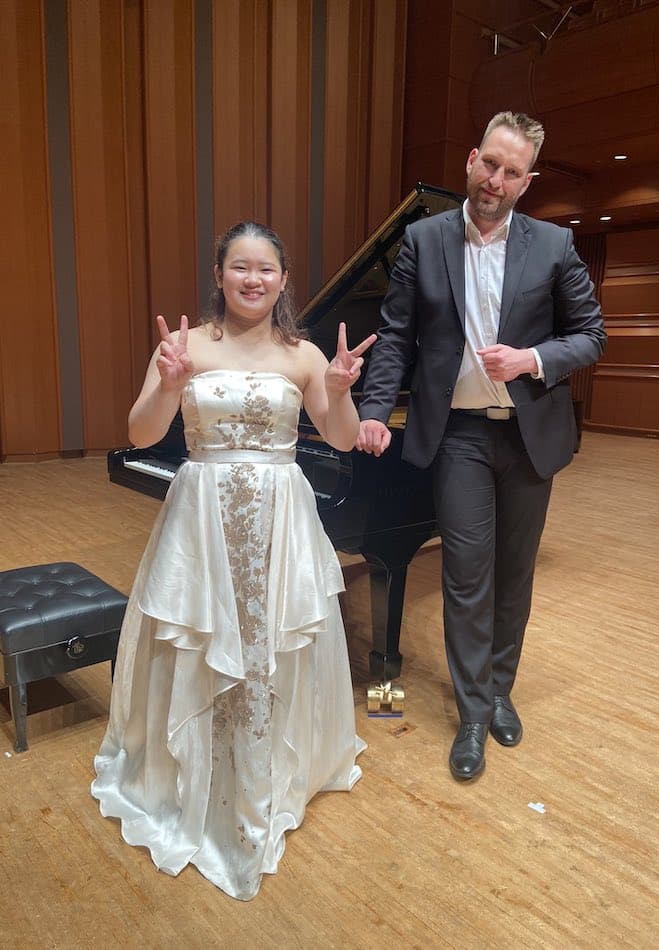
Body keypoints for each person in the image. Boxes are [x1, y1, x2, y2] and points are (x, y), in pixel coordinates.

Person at [92, 220, 376, 898]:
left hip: (280, 516)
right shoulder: (184, 344)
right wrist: (167, 384)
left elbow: (339, 439)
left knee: (271, 642)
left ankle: (263, 772)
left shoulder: (304, 354)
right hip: (203, 514)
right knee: (202, 638)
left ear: (283, 280)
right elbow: (139, 432)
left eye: (266, 269)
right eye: (240, 267)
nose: (253, 279)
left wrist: (337, 390)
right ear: (219, 275)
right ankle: (193, 772)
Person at [356, 111, 606, 782]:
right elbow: (398, 334)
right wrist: (375, 409)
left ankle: (499, 689)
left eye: (510, 171)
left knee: (513, 572)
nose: (495, 179)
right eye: (488, 163)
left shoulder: (552, 246)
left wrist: (529, 358)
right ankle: (471, 714)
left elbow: (589, 334)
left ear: (527, 181)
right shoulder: (423, 239)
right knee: (466, 574)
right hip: (459, 435)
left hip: (529, 437)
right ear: (470, 160)